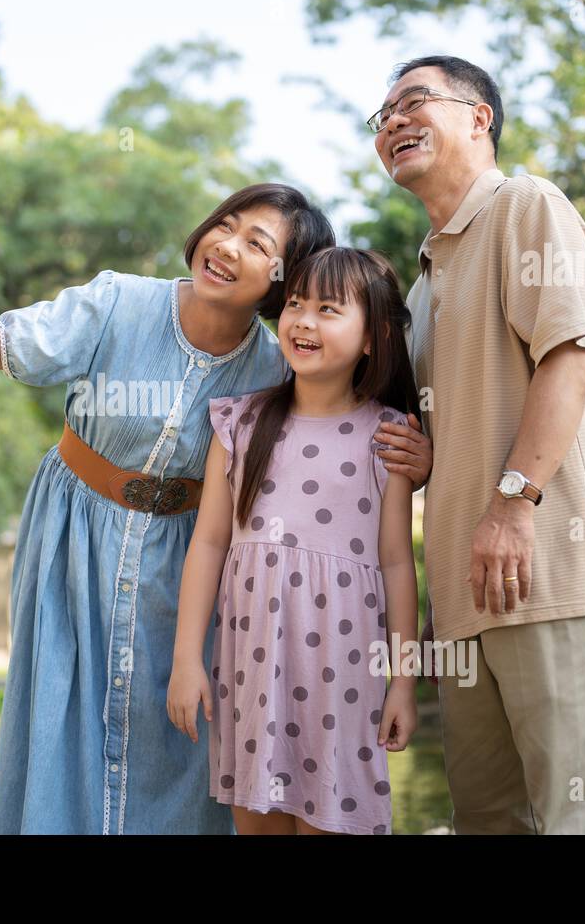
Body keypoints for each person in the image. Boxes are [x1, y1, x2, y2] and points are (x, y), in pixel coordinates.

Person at [0, 180, 433, 834]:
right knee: (57, 720)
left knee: (174, 747)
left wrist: (419, 458)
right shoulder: (119, 302)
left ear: (278, 279)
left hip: (182, 562)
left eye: (256, 243)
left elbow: (338, 437)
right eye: (226, 224)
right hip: (75, 538)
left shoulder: (276, 375)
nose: (226, 245)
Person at [368, 55, 585, 833]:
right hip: (470, 602)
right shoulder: (421, 283)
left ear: (479, 117)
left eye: (413, 102)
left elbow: (570, 356)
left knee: (584, 821)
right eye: (381, 118)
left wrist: (512, 505)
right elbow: (471, 420)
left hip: (557, 570)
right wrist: (434, 461)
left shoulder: (527, 207)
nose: (393, 122)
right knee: (489, 822)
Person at [167, 247, 422, 834]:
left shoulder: (390, 436)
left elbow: (397, 566)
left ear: (371, 337)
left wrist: (403, 683)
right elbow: (208, 544)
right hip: (250, 676)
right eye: (296, 304)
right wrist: (187, 660)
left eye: (328, 309)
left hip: (344, 679)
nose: (303, 321)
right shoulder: (241, 422)